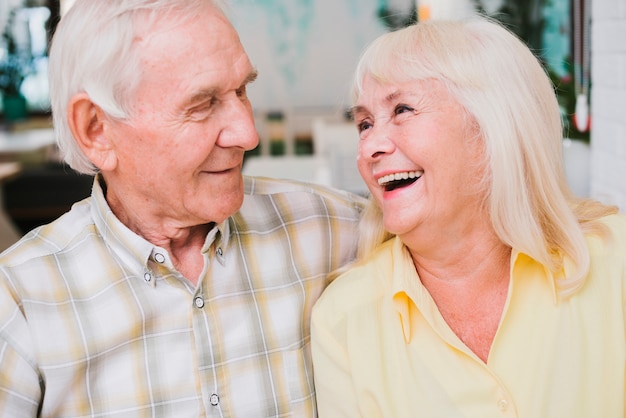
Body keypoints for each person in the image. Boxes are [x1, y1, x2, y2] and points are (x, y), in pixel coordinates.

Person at [0, 1, 366, 416]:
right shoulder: (19, 306)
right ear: (96, 130)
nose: (248, 134)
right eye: (203, 104)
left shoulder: (332, 230)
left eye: (242, 90)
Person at [311, 16, 626, 418]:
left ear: (492, 127)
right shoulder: (343, 319)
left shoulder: (615, 263)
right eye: (364, 124)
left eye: (402, 109)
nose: (369, 145)